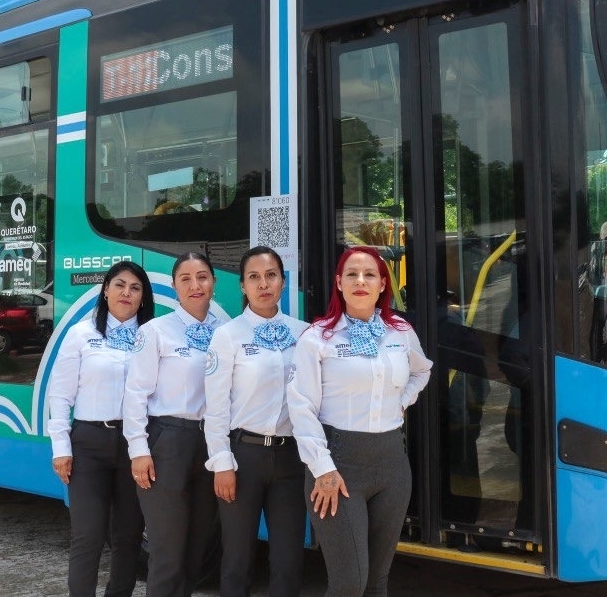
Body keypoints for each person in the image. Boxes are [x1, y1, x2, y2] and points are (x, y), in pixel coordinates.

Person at [287, 246, 433, 597]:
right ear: (339, 283)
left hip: (392, 466)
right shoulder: (317, 337)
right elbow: (301, 406)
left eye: (370, 274)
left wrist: (401, 401)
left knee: (377, 583)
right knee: (349, 583)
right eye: (351, 274)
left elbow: (422, 371)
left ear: (383, 284)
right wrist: (323, 469)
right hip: (338, 468)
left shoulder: (400, 331)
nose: (360, 281)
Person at [204, 246, 309, 597]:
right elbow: (216, 406)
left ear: (282, 282)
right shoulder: (228, 336)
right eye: (254, 277)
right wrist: (221, 463)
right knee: (237, 557)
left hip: (291, 458)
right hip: (242, 456)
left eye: (271, 275)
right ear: (242, 286)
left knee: (288, 558)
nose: (263, 284)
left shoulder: (303, 334)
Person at [47, 260, 155, 597]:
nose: (126, 293)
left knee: (128, 536)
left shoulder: (152, 337)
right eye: (119, 285)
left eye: (135, 288)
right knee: (88, 536)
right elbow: (60, 394)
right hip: (89, 443)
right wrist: (61, 448)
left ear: (143, 297)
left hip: (135, 445)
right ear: (106, 290)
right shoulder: (82, 334)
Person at [124, 252, 222, 597]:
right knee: (167, 551)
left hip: (212, 443)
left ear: (214, 282)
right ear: (174, 286)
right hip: (167, 442)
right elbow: (135, 393)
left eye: (202, 277)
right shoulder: (156, 331)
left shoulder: (226, 332)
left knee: (197, 549)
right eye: (186, 279)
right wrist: (139, 450)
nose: (196, 285)